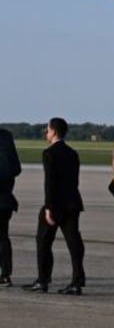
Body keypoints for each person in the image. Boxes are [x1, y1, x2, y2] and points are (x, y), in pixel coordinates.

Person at [23, 117, 85, 294]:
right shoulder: (72, 153)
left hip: (55, 204)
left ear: (54, 131)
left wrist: (49, 208)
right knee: (74, 244)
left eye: (47, 130)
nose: (46, 133)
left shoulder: (49, 153)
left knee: (43, 242)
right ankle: (77, 281)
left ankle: (43, 280)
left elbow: (50, 183)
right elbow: (74, 181)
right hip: (72, 203)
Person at [0, 127, 21, 287]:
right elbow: (15, 168)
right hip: (4, 197)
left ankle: (6, 273)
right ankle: (5, 274)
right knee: (2, 236)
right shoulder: (6, 136)